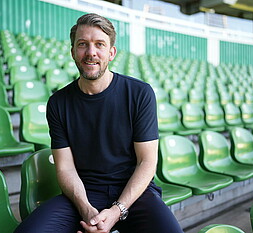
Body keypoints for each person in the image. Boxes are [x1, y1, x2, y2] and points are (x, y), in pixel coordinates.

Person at [14, 13, 184, 233]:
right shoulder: (58, 102)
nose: (91, 52)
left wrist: (116, 211)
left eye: (99, 45)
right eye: (82, 44)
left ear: (111, 52)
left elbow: (147, 163)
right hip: (83, 192)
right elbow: (65, 167)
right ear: (73, 51)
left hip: (134, 194)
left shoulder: (140, 93)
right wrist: (86, 211)